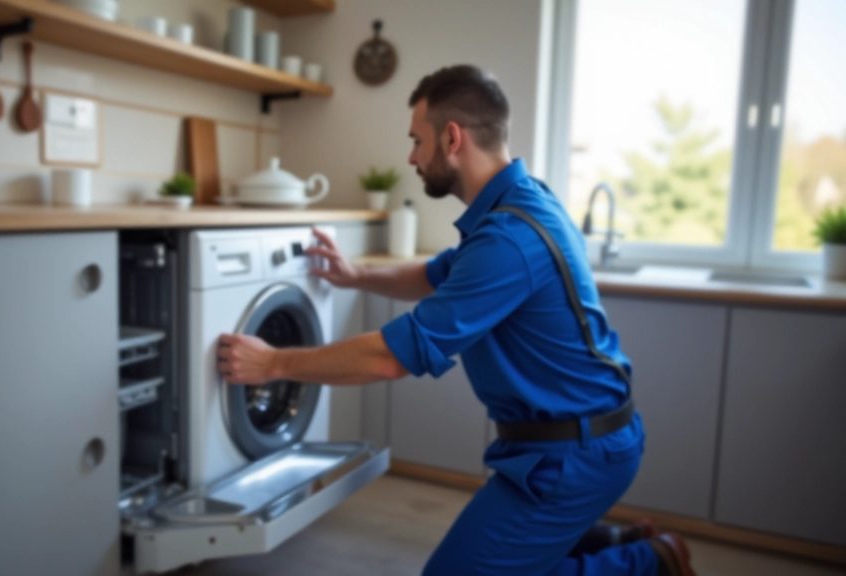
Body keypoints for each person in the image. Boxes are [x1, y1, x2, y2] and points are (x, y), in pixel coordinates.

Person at [218, 64, 696, 576]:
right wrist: (355, 274)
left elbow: (387, 359)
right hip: (577, 437)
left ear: (451, 138)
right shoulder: (519, 204)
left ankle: (648, 563)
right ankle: (614, 541)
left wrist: (273, 364)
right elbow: (431, 275)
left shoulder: (508, 239)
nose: (410, 158)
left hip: (571, 455)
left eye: (415, 141)